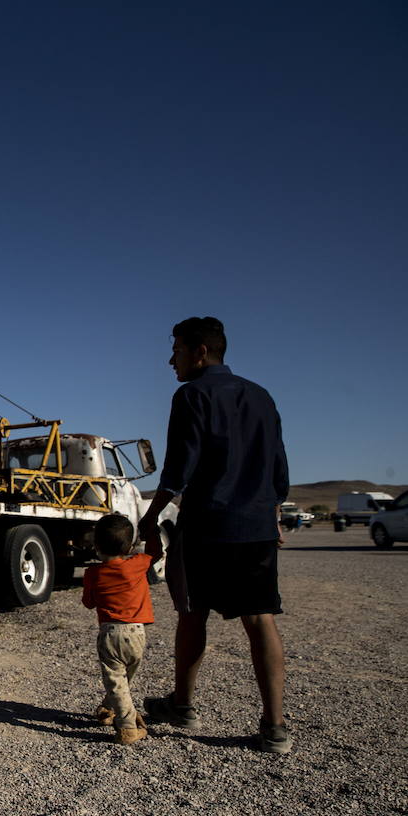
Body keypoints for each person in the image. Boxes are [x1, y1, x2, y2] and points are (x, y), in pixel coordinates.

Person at [138, 317, 292, 754]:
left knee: (193, 613)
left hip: (208, 524)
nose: (172, 360)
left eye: (178, 351)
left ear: (201, 352)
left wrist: (151, 519)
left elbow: (179, 467)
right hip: (256, 526)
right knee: (260, 618)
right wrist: (273, 511)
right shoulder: (262, 396)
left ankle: (183, 705)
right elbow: (278, 466)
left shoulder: (192, 395)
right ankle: (274, 727)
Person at [82, 514, 154, 745]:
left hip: (110, 634)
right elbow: (157, 552)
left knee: (116, 680)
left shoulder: (93, 574)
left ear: (96, 545)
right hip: (137, 634)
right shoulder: (139, 563)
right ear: (130, 545)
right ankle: (108, 709)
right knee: (122, 681)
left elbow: (89, 602)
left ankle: (127, 727)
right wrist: (150, 530)